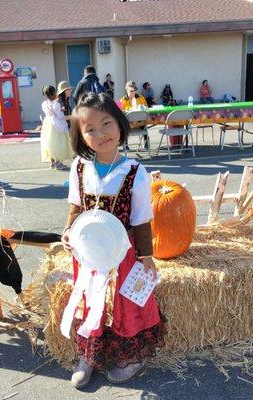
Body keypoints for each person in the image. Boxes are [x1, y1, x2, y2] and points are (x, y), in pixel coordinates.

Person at [61, 92, 165, 389]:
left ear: (120, 124)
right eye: (89, 129)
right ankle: (88, 355)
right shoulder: (80, 167)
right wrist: (68, 233)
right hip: (89, 254)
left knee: (124, 302)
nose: (100, 134)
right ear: (80, 135)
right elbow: (75, 207)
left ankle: (131, 356)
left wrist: (146, 257)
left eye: (106, 124)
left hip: (122, 252)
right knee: (89, 300)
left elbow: (142, 219)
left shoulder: (134, 172)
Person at [40, 85, 73, 170]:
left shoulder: (44, 104)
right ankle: (58, 163)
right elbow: (60, 117)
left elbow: (51, 113)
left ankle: (52, 162)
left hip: (48, 124)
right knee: (58, 144)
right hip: (56, 124)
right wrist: (73, 116)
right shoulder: (56, 104)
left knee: (50, 143)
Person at [120, 81, 149, 150]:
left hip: (140, 123)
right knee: (123, 125)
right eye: (131, 91)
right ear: (127, 90)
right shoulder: (122, 101)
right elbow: (117, 111)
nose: (133, 92)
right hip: (128, 124)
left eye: (135, 90)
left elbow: (146, 109)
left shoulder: (141, 98)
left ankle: (146, 142)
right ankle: (125, 144)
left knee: (144, 124)